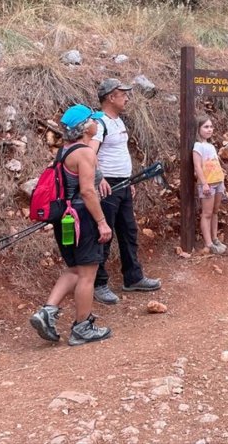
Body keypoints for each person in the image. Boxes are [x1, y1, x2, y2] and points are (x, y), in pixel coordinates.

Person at [30, 105, 114, 346]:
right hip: (83, 218)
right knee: (88, 274)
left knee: (74, 269)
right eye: (92, 120)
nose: (97, 123)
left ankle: (47, 312)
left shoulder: (64, 152)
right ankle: (82, 327)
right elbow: (88, 191)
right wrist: (101, 222)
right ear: (85, 126)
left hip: (64, 220)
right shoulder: (85, 153)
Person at [90, 79, 160, 305]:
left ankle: (133, 277)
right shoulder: (99, 123)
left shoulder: (118, 121)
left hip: (122, 184)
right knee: (105, 234)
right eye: (123, 94)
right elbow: (90, 153)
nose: (127, 98)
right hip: (107, 186)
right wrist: (99, 178)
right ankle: (99, 283)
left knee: (128, 230)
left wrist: (128, 180)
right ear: (111, 97)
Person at [193, 116, 228, 255]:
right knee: (206, 213)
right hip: (207, 184)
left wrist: (223, 183)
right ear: (199, 129)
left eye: (211, 127)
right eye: (206, 127)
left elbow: (217, 164)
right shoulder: (198, 146)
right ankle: (208, 243)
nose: (209, 129)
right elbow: (197, 166)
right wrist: (205, 183)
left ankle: (215, 238)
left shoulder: (211, 146)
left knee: (215, 212)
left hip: (218, 182)